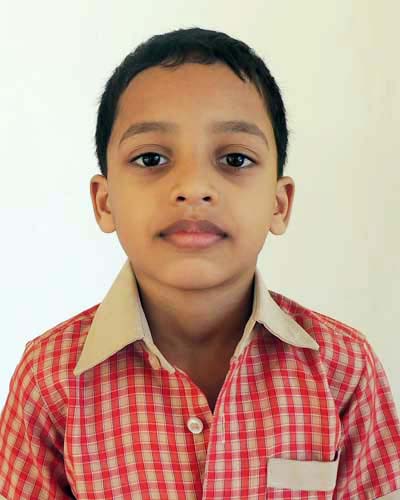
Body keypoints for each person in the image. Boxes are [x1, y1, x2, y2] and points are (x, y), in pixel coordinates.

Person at [0, 27, 399, 500]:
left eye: (235, 159)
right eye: (151, 158)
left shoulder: (344, 371)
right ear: (105, 202)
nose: (193, 187)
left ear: (279, 204)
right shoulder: (49, 381)